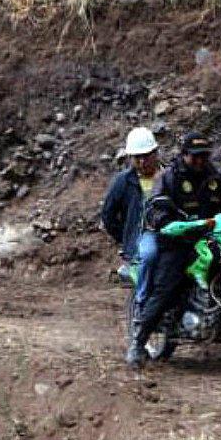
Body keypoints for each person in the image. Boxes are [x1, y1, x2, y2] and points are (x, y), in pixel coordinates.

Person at [127, 132, 221, 368]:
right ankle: (138, 343)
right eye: (195, 157)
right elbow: (154, 206)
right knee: (165, 289)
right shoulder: (168, 178)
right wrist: (165, 221)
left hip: (211, 239)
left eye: (203, 156)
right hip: (177, 242)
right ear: (184, 156)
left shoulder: (216, 178)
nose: (200, 161)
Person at [99, 127, 162, 308]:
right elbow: (108, 215)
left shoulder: (170, 175)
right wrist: (126, 237)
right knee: (149, 255)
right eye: (137, 158)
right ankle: (142, 305)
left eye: (146, 156)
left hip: (171, 232)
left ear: (155, 153)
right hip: (142, 237)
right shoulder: (123, 181)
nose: (142, 162)